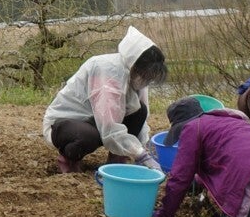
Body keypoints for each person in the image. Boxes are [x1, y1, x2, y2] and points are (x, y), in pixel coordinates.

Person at [42, 26, 167, 174]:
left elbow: (142, 117)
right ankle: (68, 160)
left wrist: (144, 147)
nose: (146, 80)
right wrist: (141, 155)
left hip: (96, 120)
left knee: (140, 111)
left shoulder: (136, 76)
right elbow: (109, 126)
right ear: (135, 65)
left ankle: (117, 159)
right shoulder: (107, 72)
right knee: (88, 136)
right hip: (67, 123)